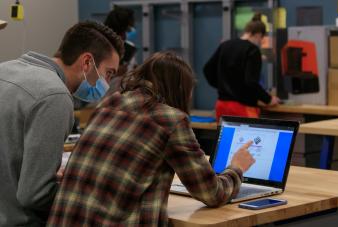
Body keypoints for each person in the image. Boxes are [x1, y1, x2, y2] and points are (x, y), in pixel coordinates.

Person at [47, 51, 255, 226]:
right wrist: (236, 167)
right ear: (181, 90)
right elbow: (212, 193)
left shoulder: (110, 103)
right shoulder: (170, 120)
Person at [0, 21, 123, 226]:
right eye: (109, 73)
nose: (107, 83)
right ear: (86, 63)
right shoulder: (54, 95)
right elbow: (34, 195)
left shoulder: (4, 69)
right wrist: (89, 196)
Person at [204, 12, 280, 121]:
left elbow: (207, 69)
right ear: (258, 34)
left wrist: (223, 87)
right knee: (248, 138)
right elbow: (251, 82)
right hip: (242, 107)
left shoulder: (225, 45)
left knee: (225, 137)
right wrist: (268, 99)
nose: (259, 43)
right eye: (261, 39)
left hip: (221, 105)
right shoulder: (252, 50)